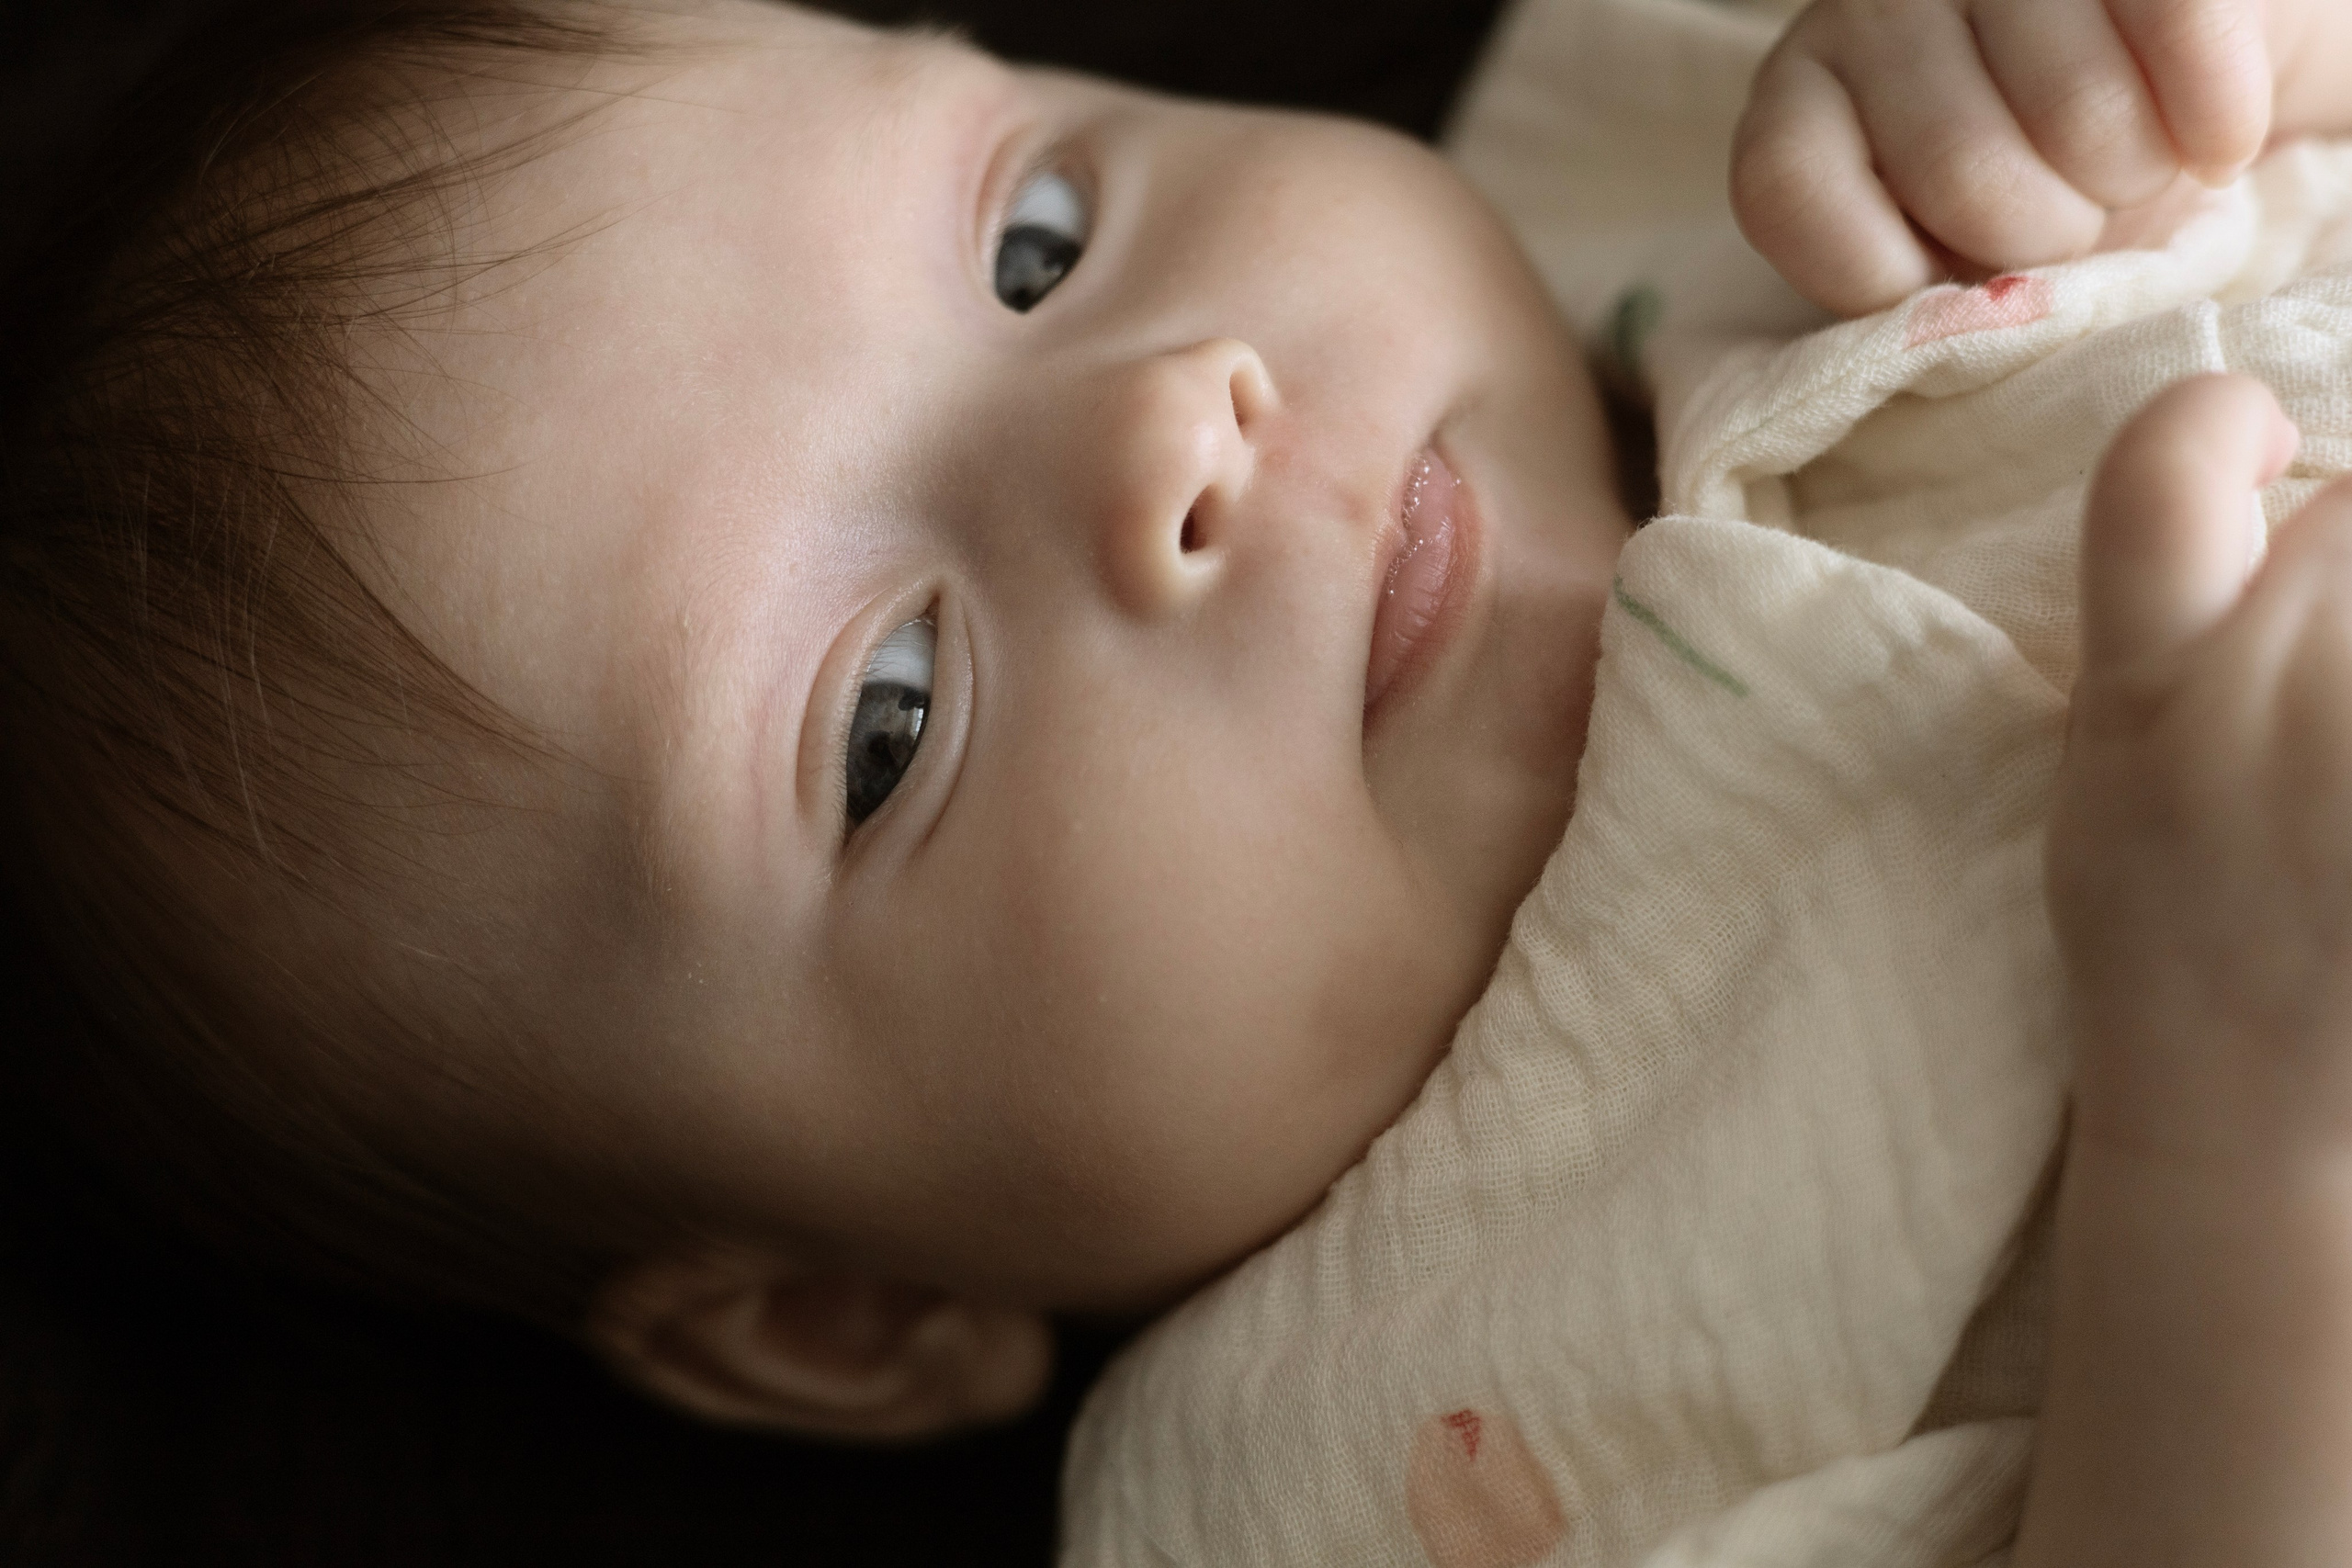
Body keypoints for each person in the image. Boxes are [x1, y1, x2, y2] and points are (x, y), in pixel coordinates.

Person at [3, 0, 2350, 1557]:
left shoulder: (1719, 133)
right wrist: (2233, 1109)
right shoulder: (1365, 1468)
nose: (1165, 422)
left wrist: (2160, 50)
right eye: (884, 717)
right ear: (846, 1312)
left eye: (1033, 242)